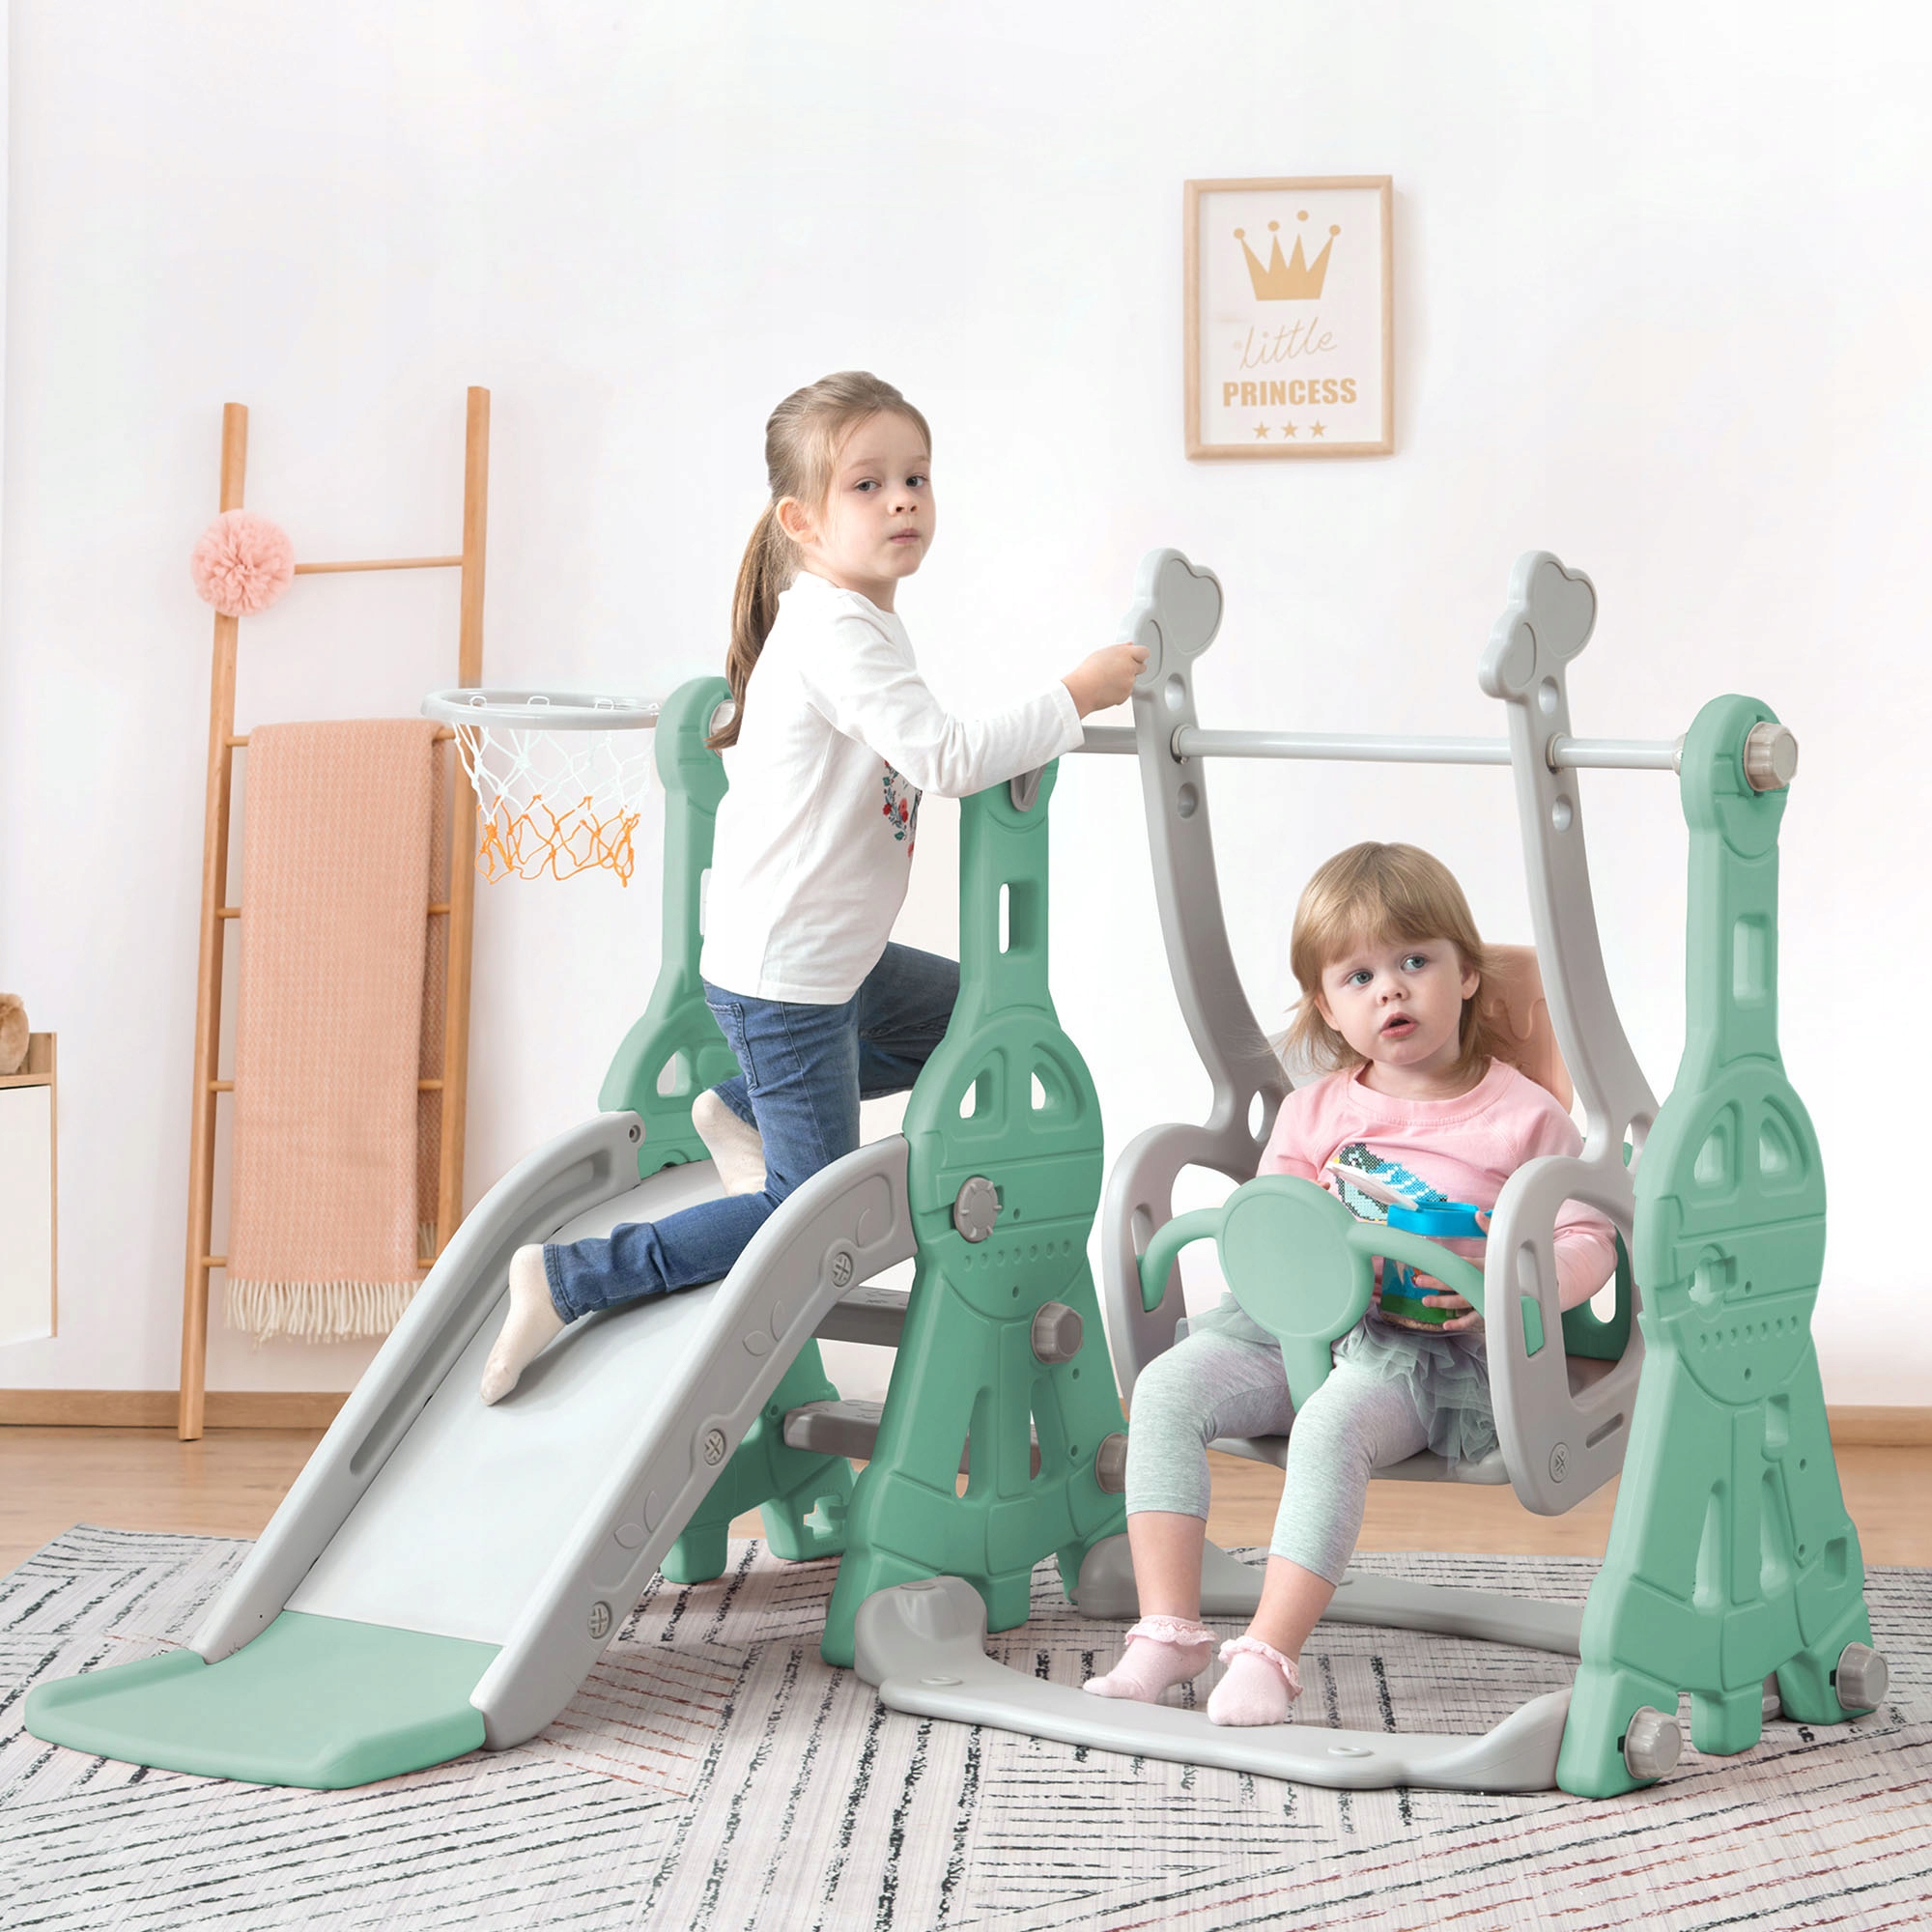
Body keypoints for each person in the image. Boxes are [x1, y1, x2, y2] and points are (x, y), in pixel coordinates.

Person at [480, 371, 1146, 1402]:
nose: (902, 501)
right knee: (801, 1210)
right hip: (788, 980)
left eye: (916, 478)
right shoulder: (834, 631)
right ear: (802, 520)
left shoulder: (858, 621)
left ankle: (737, 1109)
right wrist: (1074, 695)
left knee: (971, 1019)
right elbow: (943, 755)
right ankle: (570, 1279)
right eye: (867, 485)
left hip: (835, 961)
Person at [1083, 841, 1618, 1724]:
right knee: (1167, 1388)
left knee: (1331, 1425)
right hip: (1295, 1331)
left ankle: (1269, 1653)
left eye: (1415, 963)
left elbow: (1589, 1235)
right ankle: (1167, 1628)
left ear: (1468, 975)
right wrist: (1287, 1255)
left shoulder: (1526, 1114)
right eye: (1359, 976)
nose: (1390, 992)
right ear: (1328, 1007)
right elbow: (1271, 1225)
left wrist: (1510, 1287)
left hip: (1428, 1355)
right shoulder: (1315, 1110)